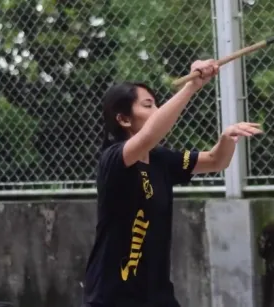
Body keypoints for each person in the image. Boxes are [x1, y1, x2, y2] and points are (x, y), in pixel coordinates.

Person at [82, 59, 262, 307]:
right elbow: (150, 135)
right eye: (148, 105)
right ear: (124, 119)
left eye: (156, 104)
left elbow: (215, 161)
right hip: (112, 297)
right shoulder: (113, 160)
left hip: (156, 295)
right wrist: (191, 86)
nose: (157, 110)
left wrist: (227, 138)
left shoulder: (160, 160)